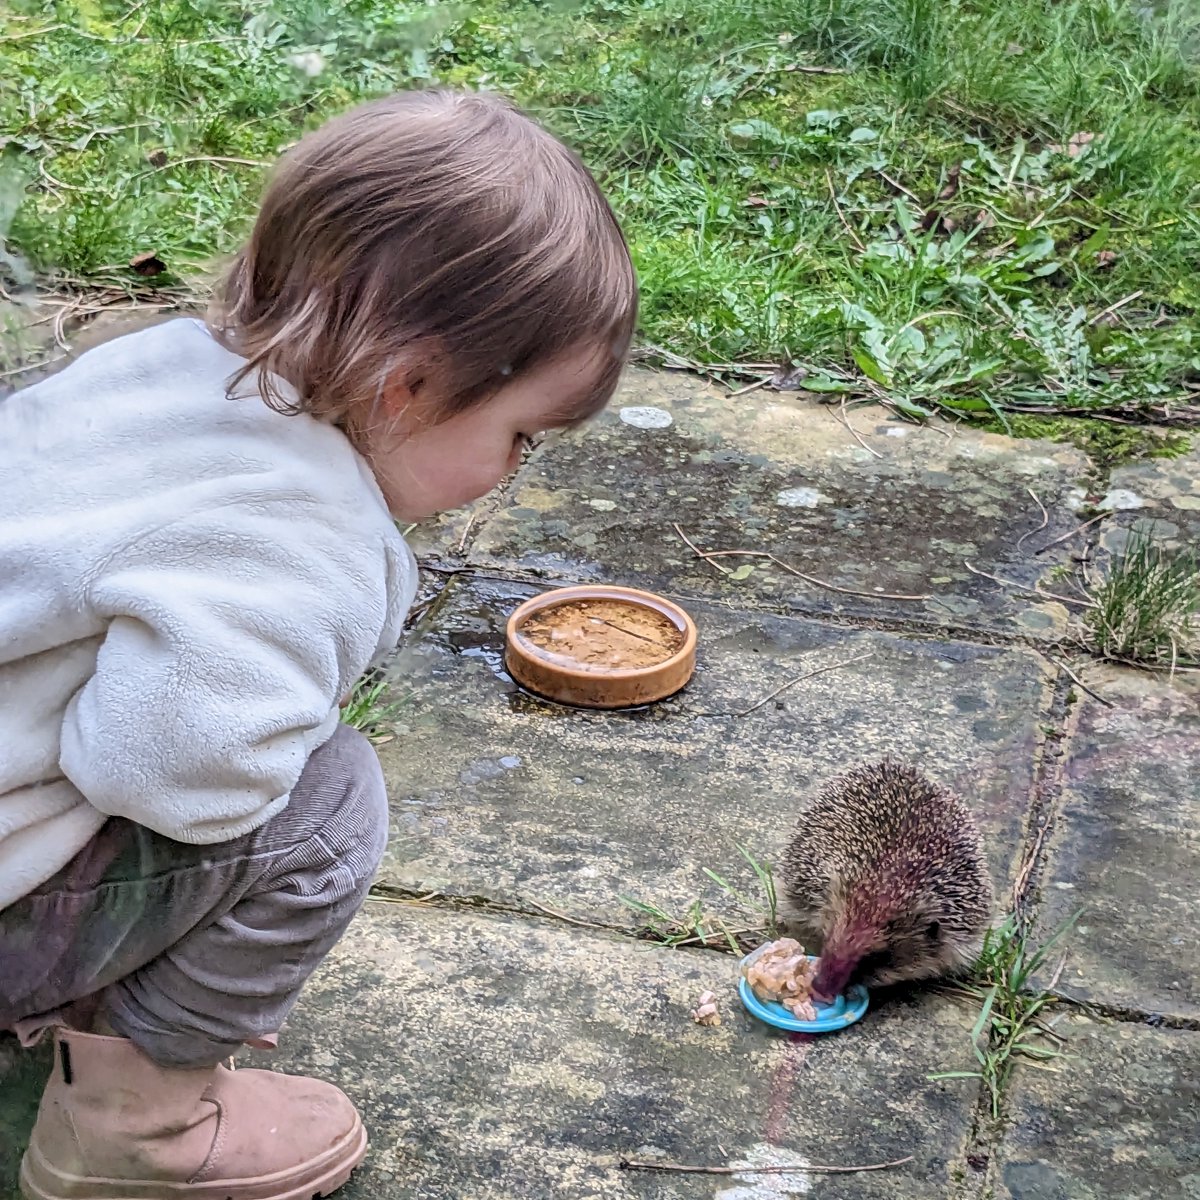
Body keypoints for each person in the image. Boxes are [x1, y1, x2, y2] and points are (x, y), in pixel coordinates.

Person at [0, 88, 636, 1200]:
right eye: (519, 438)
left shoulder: (151, 374)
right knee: (324, 806)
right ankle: (135, 1133)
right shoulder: (294, 534)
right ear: (410, 386)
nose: (513, 472)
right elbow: (172, 778)